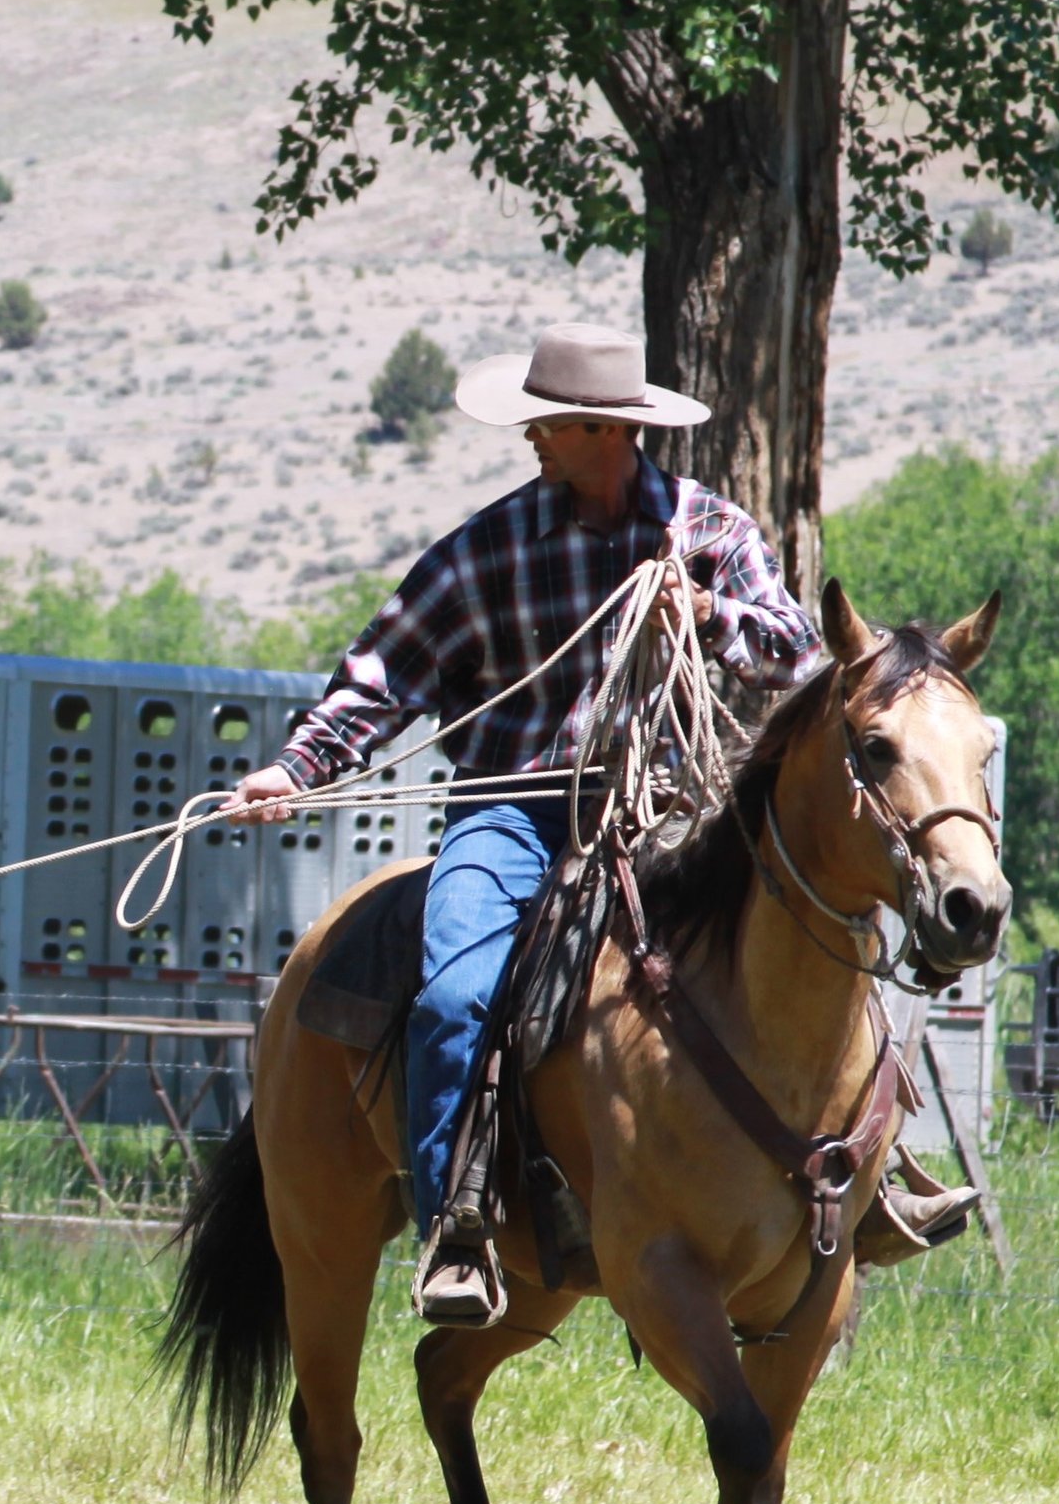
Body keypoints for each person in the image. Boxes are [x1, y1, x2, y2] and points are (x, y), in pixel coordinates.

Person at [224, 322, 965, 1326]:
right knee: (457, 987)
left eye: (549, 424)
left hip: (671, 806)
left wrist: (707, 615)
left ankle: (865, 1177)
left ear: (602, 430)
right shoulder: (488, 546)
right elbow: (383, 669)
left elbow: (802, 664)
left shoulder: (708, 532)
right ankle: (459, 1221)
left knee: (817, 934)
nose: (532, 440)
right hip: (511, 810)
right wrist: (293, 767)